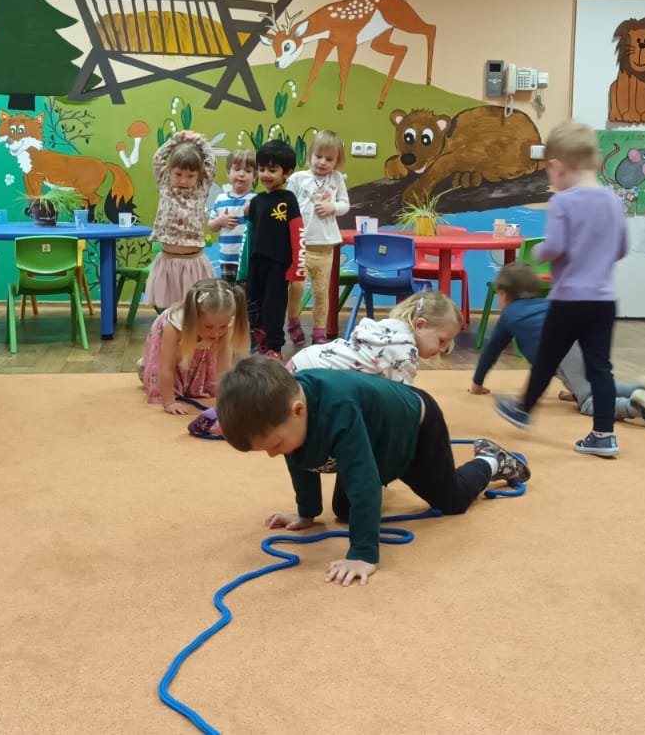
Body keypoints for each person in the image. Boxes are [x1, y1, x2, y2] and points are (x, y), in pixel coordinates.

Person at [216, 355, 530, 586]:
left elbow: (363, 482)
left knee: (452, 500)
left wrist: (363, 554)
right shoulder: (291, 414)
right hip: (374, 433)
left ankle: (491, 459)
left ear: (298, 411)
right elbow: (301, 460)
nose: (273, 454)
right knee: (345, 511)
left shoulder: (338, 409)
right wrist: (306, 513)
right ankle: (385, 471)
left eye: (274, 444)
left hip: (413, 428)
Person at [492, 120, 629, 458]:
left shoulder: (563, 202)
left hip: (569, 299)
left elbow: (554, 247)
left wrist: (538, 253)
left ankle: (523, 410)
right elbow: (621, 249)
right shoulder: (613, 200)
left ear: (557, 166)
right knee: (600, 367)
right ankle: (604, 435)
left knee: (547, 359)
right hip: (603, 301)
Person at [471, 263, 645, 431]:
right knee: (596, 388)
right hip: (581, 341)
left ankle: (635, 407)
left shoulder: (509, 315)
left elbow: (491, 351)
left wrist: (477, 383)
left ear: (504, 294)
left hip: (564, 351)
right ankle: (640, 390)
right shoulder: (546, 305)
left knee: (588, 402)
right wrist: (574, 387)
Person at [287, 289, 460, 386]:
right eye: (441, 340)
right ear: (420, 325)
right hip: (312, 376)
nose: (444, 348)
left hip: (304, 360)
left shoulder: (391, 328)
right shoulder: (405, 351)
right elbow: (404, 402)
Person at [138, 278, 250, 416]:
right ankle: (144, 367)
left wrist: (224, 403)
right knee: (167, 372)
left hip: (195, 343)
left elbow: (224, 367)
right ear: (194, 317)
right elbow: (167, 367)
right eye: (209, 327)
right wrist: (169, 402)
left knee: (204, 382)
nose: (216, 333)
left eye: (222, 326)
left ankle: (190, 381)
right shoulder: (172, 326)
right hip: (174, 346)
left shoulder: (226, 324)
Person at [284, 130, 351, 347]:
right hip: (300, 245)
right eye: (318, 156)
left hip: (325, 246)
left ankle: (319, 331)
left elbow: (345, 204)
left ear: (337, 162)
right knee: (296, 287)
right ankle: (293, 321)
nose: (322, 162)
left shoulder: (336, 179)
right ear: (310, 155)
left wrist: (333, 207)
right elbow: (287, 205)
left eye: (329, 159)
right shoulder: (298, 179)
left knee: (321, 292)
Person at [238, 140, 301, 358]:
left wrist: (297, 267)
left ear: (287, 173)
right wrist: (243, 268)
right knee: (253, 303)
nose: (265, 174)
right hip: (256, 263)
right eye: (262, 169)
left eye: (272, 170)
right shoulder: (256, 201)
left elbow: (297, 232)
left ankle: (274, 347)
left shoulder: (289, 200)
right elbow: (249, 235)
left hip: (278, 265)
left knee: (274, 306)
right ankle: (259, 341)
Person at [146, 130, 217, 311]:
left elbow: (212, 161)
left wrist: (199, 140)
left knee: (193, 310)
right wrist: (176, 139)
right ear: (170, 171)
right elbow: (158, 158)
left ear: (199, 175)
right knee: (170, 310)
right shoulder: (165, 183)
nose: (183, 180)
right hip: (168, 262)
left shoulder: (200, 188)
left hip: (193, 263)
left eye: (190, 176)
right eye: (178, 174)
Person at [208, 149, 257, 282]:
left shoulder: (255, 200)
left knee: (247, 291)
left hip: (248, 258)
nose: (241, 174)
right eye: (237, 169)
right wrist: (219, 221)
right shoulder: (221, 199)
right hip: (227, 258)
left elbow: (260, 228)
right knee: (228, 291)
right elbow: (211, 226)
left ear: (254, 176)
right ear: (228, 172)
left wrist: (251, 214)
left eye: (248, 171)